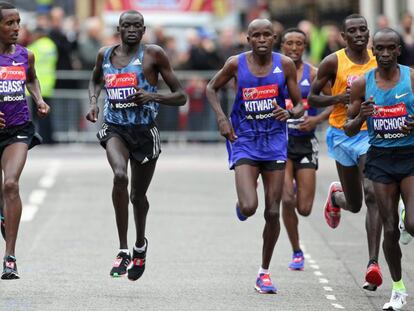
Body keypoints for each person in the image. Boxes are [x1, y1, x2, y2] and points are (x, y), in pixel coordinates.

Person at [86, 10, 187, 281]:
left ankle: (140, 245)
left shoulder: (154, 55)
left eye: (137, 26)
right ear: (118, 29)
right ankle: (122, 250)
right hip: (115, 128)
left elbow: (181, 96)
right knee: (120, 175)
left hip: (144, 132)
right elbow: (95, 79)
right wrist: (94, 103)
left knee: (137, 196)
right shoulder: (105, 55)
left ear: (144, 30)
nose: (131, 30)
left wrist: (152, 95)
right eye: (126, 25)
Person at [206, 19, 304, 294]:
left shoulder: (284, 64)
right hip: (244, 140)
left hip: (274, 142)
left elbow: (298, 104)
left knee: (272, 211)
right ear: (248, 39)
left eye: (266, 35)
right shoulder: (236, 63)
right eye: (256, 35)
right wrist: (222, 119)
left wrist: (290, 112)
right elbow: (210, 88)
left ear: (274, 38)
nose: (261, 39)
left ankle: (264, 273)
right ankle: (243, 202)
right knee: (250, 207)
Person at [307, 14, 383, 291]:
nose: (360, 34)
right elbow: (313, 98)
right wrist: (338, 98)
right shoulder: (333, 62)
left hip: (370, 134)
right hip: (341, 134)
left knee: (373, 194)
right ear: (343, 36)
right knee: (356, 203)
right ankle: (336, 198)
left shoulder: (379, 59)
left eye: (364, 29)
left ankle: (372, 264)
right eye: (353, 31)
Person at [344, 27, 414, 311]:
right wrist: (360, 115)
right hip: (380, 160)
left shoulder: (411, 78)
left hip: (410, 156)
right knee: (389, 230)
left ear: (399, 50)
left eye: (391, 48)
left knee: (412, 225)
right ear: (373, 52)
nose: (385, 54)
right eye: (380, 49)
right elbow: (348, 129)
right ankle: (398, 289)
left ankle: (405, 214)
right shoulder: (363, 83)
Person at [0, 2, 50, 279]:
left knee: (11, 184)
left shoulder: (24, 55)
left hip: (17, 129)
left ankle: (10, 257)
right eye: (9, 23)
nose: (16, 28)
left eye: (17, 22)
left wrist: (39, 99)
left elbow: (32, 80)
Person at [280, 28, 332, 271]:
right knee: (287, 199)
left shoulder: (313, 73)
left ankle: (334, 197)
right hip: (280, 142)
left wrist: (316, 120)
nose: (294, 48)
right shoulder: (275, 72)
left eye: (299, 43)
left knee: (304, 208)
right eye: (289, 43)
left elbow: (335, 103)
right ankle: (296, 251)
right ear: (282, 46)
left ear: (305, 46)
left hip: (305, 142)